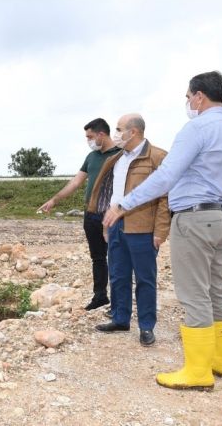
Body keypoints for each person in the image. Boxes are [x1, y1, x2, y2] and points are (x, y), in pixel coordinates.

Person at [103, 71, 222, 389]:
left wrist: (123, 205)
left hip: (195, 219)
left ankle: (197, 372)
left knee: (195, 294)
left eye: (188, 96)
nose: (187, 102)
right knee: (216, 291)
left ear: (199, 96)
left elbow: (166, 177)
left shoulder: (196, 129)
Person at [90, 113, 170, 346]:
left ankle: (146, 326)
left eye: (119, 128)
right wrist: (107, 222)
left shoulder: (157, 157)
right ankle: (120, 318)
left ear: (133, 132)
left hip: (143, 228)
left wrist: (160, 231)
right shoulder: (116, 159)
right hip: (116, 226)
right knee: (118, 274)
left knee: (145, 278)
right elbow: (111, 193)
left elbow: (166, 196)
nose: (116, 133)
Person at [38, 118, 120, 310]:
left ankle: (119, 302)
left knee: (117, 258)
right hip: (91, 215)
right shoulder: (91, 157)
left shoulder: (121, 155)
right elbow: (76, 182)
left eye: (90, 137)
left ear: (101, 134)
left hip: (113, 215)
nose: (88, 141)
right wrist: (54, 200)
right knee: (98, 258)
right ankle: (100, 296)